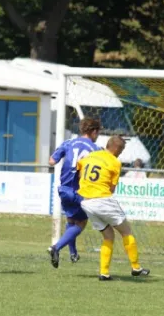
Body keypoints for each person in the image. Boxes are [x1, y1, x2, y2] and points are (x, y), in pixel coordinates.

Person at [76, 136, 150, 280]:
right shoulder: (115, 162)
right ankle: (136, 267)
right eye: (121, 150)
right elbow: (111, 188)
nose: (121, 153)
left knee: (108, 235)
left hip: (86, 202)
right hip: (102, 199)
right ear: (116, 148)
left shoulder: (90, 156)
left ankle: (104, 273)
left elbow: (78, 168)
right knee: (126, 231)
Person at [47, 118, 101, 267]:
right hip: (80, 191)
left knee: (71, 221)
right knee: (81, 223)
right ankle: (55, 248)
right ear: (94, 131)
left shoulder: (68, 143)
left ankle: (73, 253)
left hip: (63, 189)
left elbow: (51, 161)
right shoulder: (96, 149)